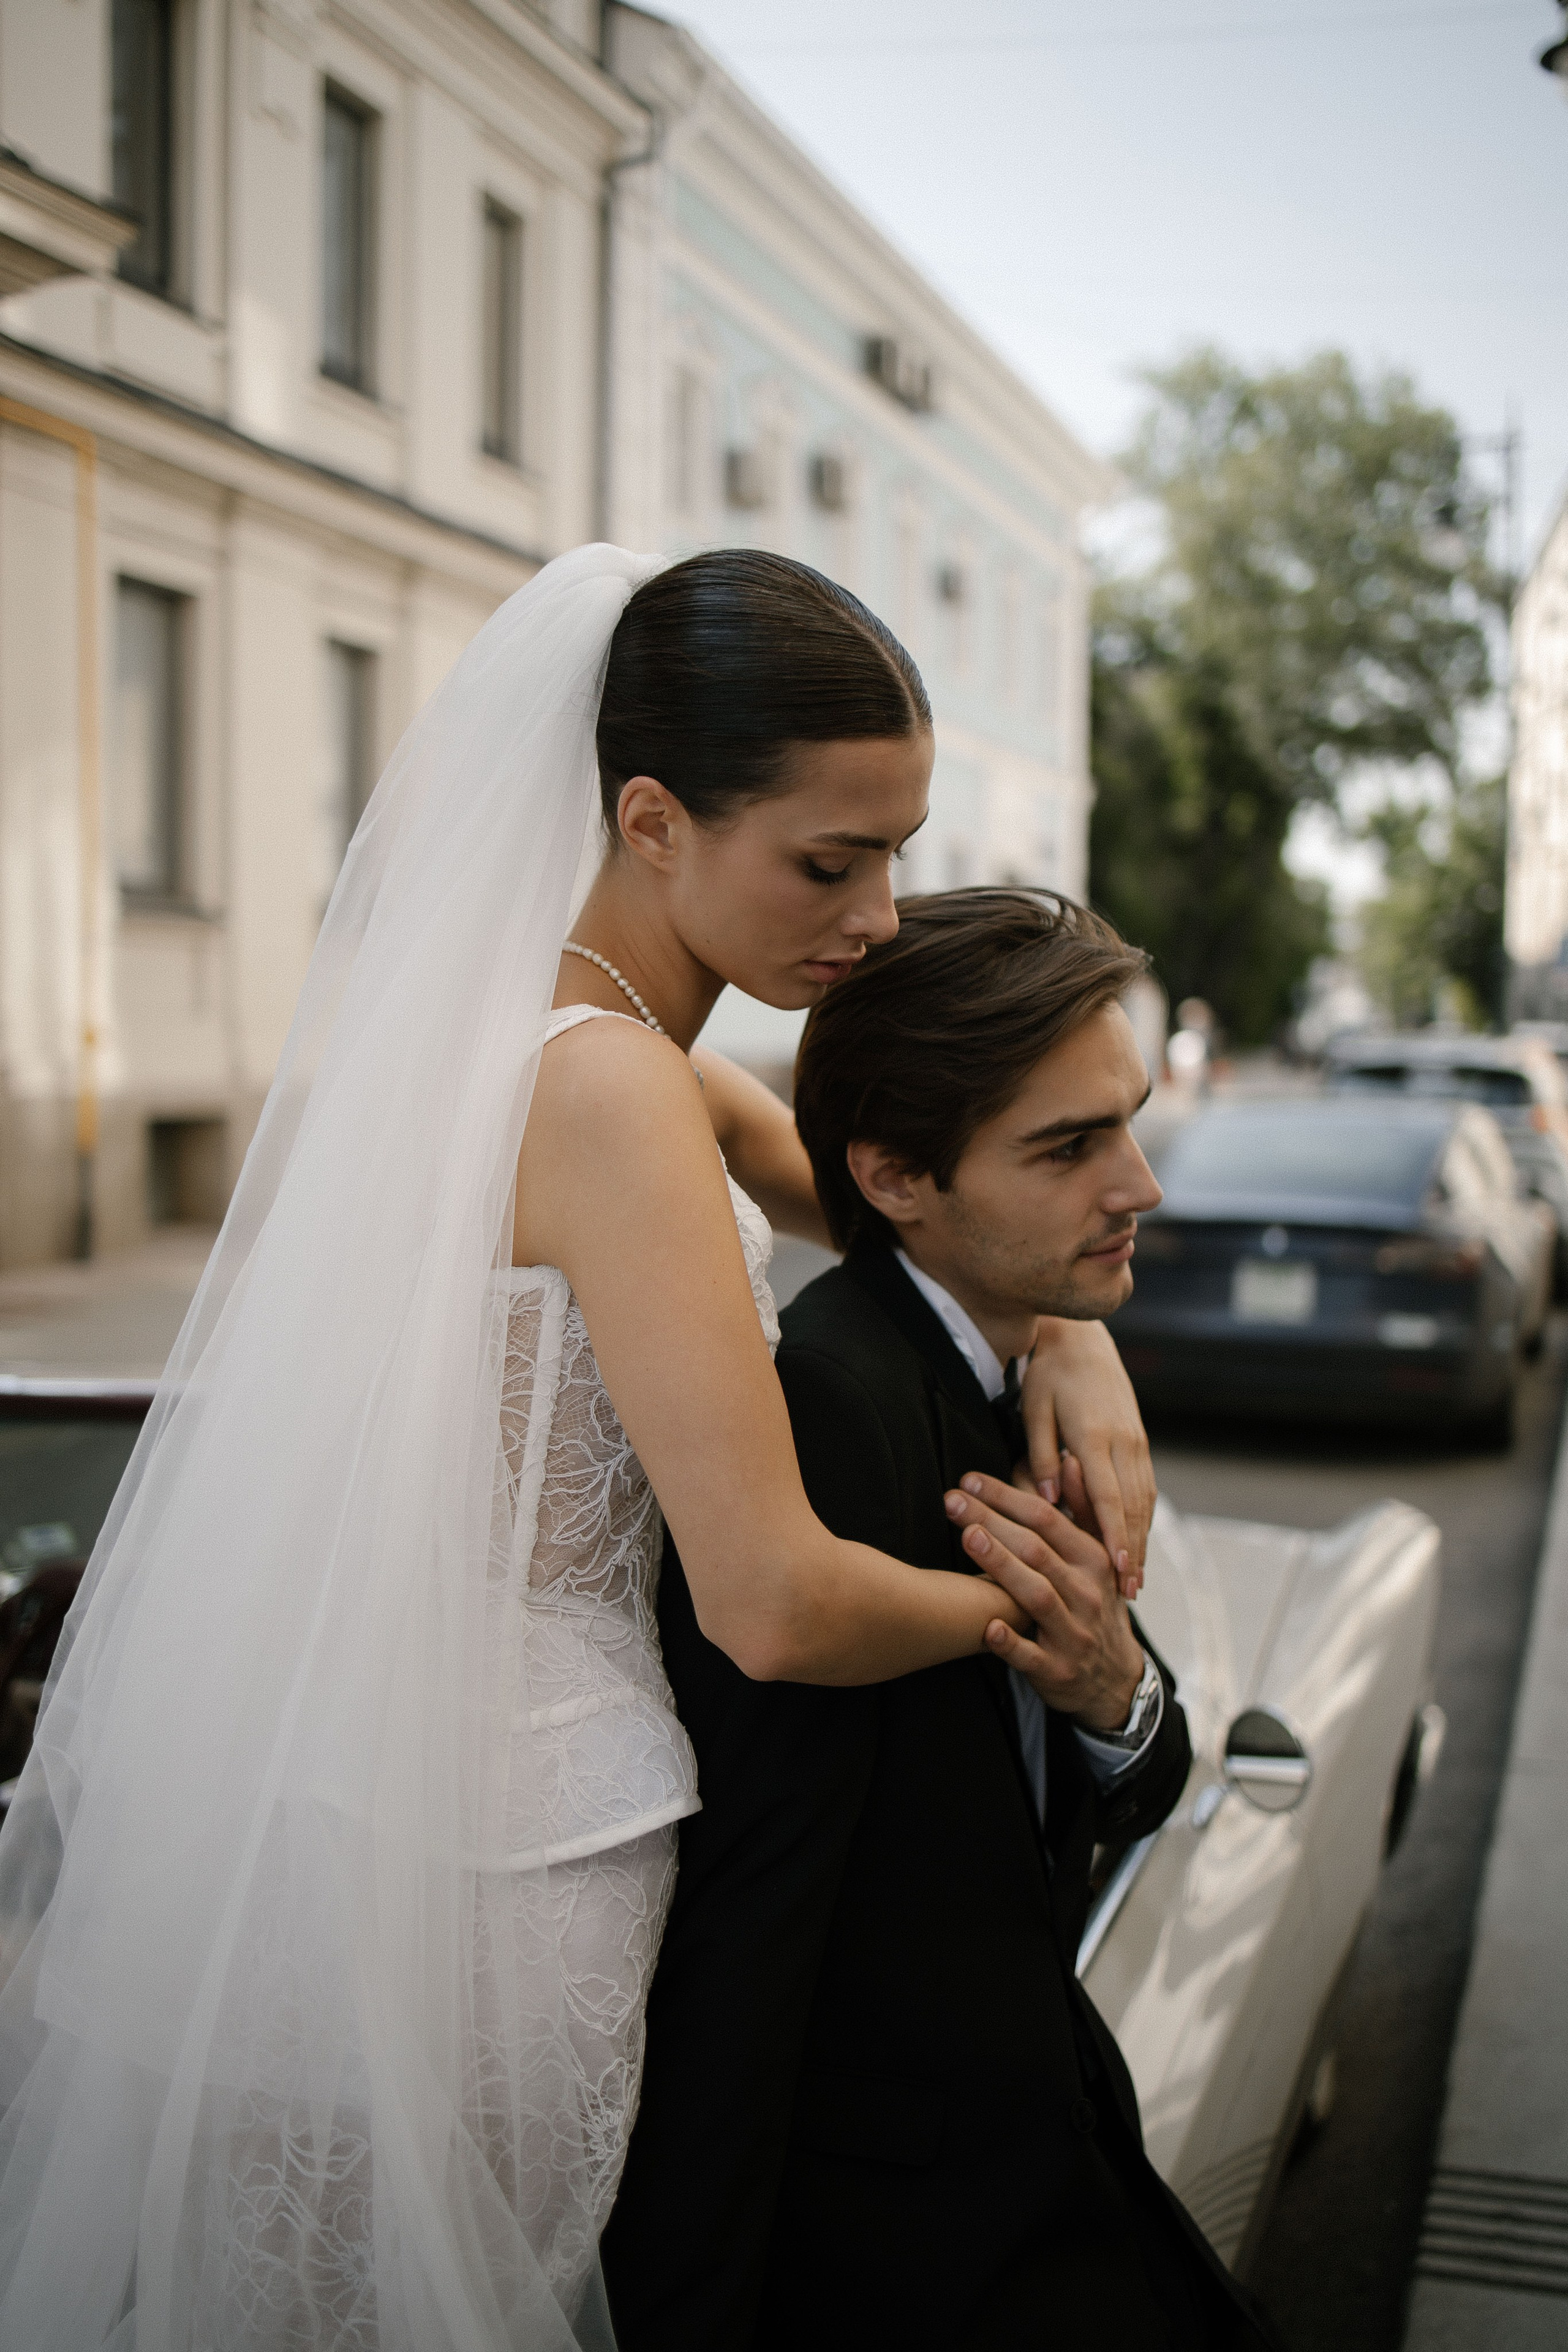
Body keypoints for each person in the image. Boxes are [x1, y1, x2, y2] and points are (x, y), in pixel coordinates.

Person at [0, 549, 1157, 2351]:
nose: (873, 917)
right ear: (652, 818)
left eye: (898, 852)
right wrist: (1048, 1618)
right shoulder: (615, 1090)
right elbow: (772, 1602)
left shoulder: (547, 1039)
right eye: (828, 861)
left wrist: (1073, 1327)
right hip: (512, 1859)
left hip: (351, 1810)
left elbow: (879, 1203)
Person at [603, 889, 1284, 2352]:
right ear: (896, 1176)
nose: (1141, 1184)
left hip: (1053, 2154)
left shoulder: (1021, 1367)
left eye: (1129, 1121)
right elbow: (747, 1934)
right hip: (904, 2257)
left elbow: (1134, 1768)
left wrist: (1113, 1692)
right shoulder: (833, 1423)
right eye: (1069, 1146)